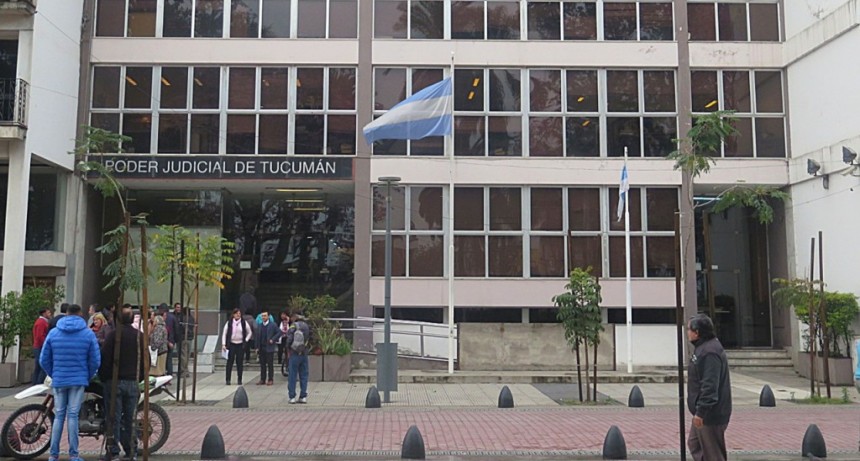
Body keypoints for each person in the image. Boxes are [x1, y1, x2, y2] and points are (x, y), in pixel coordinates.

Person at [40, 304, 100, 461]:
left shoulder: (54, 333)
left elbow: (43, 359)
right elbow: (95, 360)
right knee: (73, 415)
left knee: (59, 415)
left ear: (66, 314)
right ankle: (74, 454)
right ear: (80, 314)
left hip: (59, 379)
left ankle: (53, 455)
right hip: (78, 380)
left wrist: (54, 373)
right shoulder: (88, 334)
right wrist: (87, 375)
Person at [100, 306, 145, 461]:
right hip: (132, 381)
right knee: (130, 418)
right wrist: (139, 378)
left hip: (115, 382)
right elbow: (145, 361)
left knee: (114, 418)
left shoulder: (114, 336)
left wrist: (105, 378)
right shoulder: (139, 336)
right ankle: (131, 450)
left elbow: (105, 358)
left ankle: (113, 451)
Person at [687, 313, 732, 461]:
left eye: (689, 329)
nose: (687, 333)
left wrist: (701, 412)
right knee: (695, 444)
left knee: (713, 453)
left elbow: (710, 385)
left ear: (697, 332)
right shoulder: (703, 348)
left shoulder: (709, 352)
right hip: (704, 412)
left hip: (710, 414)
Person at [221, 308, 252, 385]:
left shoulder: (244, 322)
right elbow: (224, 333)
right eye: (236, 313)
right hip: (231, 344)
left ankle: (239, 379)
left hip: (240, 345)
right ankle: (228, 379)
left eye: (239, 313)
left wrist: (246, 340)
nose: (238, 315)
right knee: (229, 362)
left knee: (239, 363)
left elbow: (249, 332)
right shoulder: (229, 323)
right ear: (233, 314)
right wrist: (224, 344)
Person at [286, 311, 311, 404]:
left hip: (294, 353)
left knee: (292, 375)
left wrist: (288, 349)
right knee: (304, 375)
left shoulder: (293, 326)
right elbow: (310, 338)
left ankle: (292, 397)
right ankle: (303, 396)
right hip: (304, 353)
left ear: (294, 317)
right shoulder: (306, 326)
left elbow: (289, 339)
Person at [255, 309, 281, 386]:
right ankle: (262, 379)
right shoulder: (260, 325)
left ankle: (270, 379)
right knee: (262, 364)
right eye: (262, 316)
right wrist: (256, 347)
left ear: (268, 316)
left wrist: (273, 339)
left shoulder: (273, 325)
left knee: (270, 364)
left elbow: (279, 332)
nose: (263, 317)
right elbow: (257, 337)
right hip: (261, 347)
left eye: (265, 316)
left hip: (269, 347)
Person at [173, 302, 195, 378]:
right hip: (190, 338)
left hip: (183, 338)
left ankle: (183, 371)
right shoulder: (192, 318)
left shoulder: (182, 319)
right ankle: (185, 370)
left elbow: (180, 328)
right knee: (187, 356)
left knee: (182, 356)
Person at [31, 307, 52, 385]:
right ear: (44, 313)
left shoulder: (42, 321)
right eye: (48, 312)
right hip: (39, 347)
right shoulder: (41, 322)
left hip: (38, 346)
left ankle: (35, 383)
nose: (50, 314)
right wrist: (46, 345)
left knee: (38, 367)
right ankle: (39, 383)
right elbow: (40, 336)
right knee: (42, 366)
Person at [158, 303, 177, 376]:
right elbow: (176, 329)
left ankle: (163, 373)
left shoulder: (159, 318)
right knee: (169, 358)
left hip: (162, 342)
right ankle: (169, 373)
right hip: (171, 340)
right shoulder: (173, 317)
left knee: (162, 358)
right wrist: (174, 340)